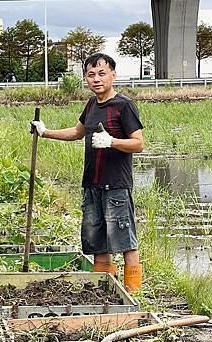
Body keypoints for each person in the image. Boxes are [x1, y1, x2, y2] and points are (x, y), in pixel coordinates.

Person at [31, 52, 144, 292]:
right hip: (92, 185)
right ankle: (106, 292)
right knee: (97, 244)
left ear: (113, 75)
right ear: (85, 78)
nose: (96, 79)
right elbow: (77, 132)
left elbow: (138, 144)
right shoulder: (92, 104)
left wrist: (111, 141)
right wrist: (45, 132)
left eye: (102, 73)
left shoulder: (124, 106)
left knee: (126, 242)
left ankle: (134, 294)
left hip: (116, 186)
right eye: (91, 74)